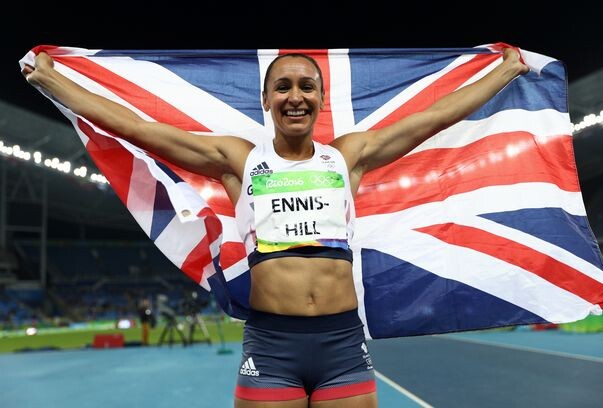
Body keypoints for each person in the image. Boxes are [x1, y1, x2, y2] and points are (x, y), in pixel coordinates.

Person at [23, 47, 528, 407]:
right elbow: (137, 128)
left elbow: (433, 118)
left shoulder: (347, 156)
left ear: (321, 99)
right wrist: (52, 81)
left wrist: (505, 71)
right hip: (272, 345)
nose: (295, 96)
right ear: (265, 99)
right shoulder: (239, 160)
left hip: (341, 344)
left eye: (307, 86)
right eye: (282, 87)